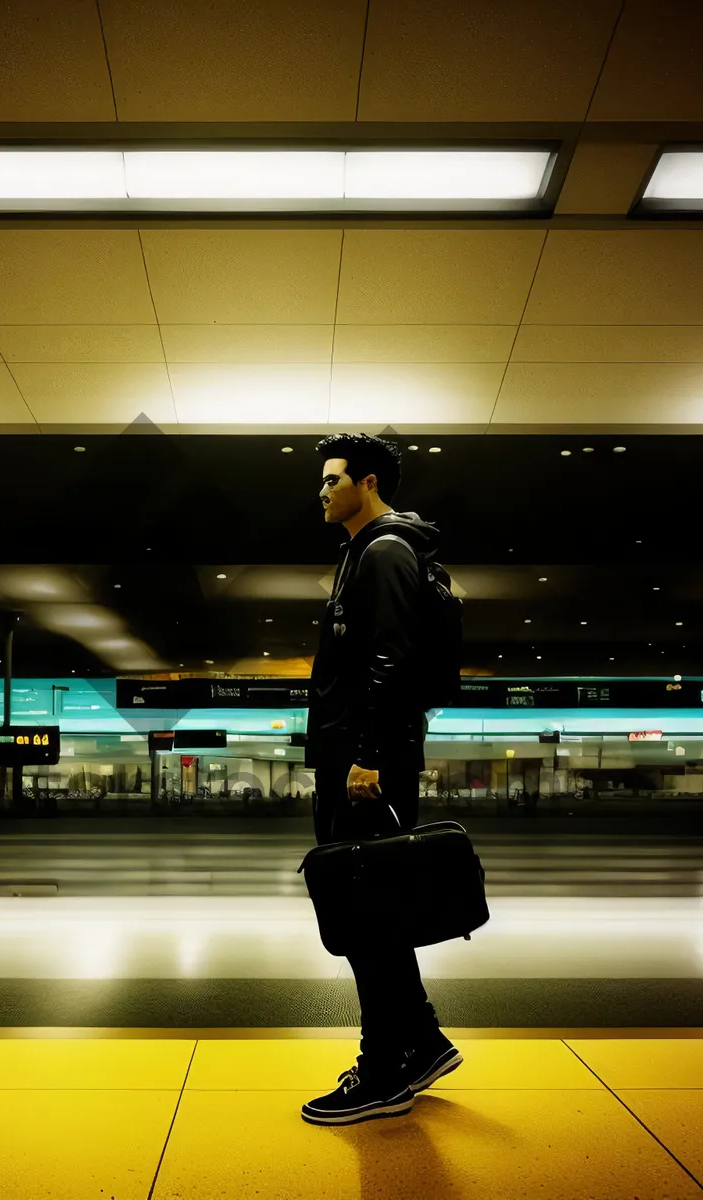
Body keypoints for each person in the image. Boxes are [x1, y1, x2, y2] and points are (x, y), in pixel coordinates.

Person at [300, 432, 462, 1127]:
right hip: (360, 757)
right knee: (375, 910)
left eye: (333, 480)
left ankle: (384, 1068)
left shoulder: (386, 551)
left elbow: (391, 663)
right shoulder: (365, 553)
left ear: (367, 483)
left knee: (363, 915)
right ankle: (418, 1041)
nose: (322, 491)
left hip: (368, 765)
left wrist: (367, 757)